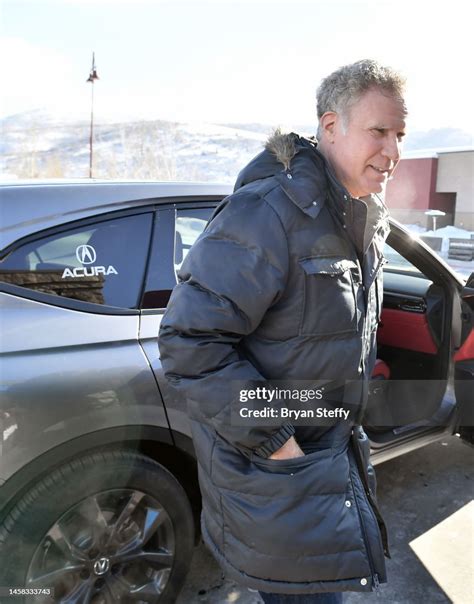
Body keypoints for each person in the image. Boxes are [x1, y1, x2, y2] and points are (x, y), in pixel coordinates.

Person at [158, 59, 407, 602]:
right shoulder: (268, 214)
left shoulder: (358, 217)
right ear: (331, 126)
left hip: (328, 465)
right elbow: (189, 343)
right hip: (282, 476)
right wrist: (277, 442)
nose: (393, 152)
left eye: (400, 134)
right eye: (379, 132)